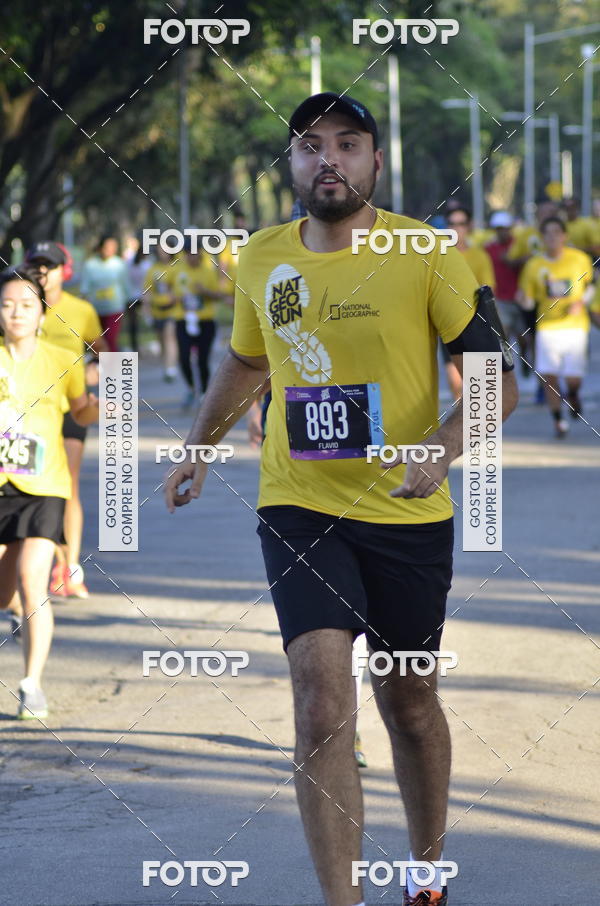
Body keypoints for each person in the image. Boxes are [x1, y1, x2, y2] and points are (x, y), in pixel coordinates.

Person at [165, 91, 518, 906]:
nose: (328, 159)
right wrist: (199, 445)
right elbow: (248, 361)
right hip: (299, 505)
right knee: (322, 706)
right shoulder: (260, 258)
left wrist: (443, 446)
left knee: (409, 699)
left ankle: (425, 868)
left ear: (374, 161)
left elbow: (496, 379)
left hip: (405, 512)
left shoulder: (426, 251)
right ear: (290, 165)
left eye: (348, 144)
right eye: (310, 146)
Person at [0, 267, 99, 718]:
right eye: (7, 305)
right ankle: (18, 617)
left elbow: (80, 408)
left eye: (26, 305)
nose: (16, 313)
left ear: (42, 314)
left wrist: (103, 405)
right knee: (5, 594)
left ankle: (31, 683)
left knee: (32, 581)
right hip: (2, 483)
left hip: (45, 485)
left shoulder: (63, 357)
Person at [24, 241, 107, 599]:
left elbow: (102, 353)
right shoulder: (20, 306)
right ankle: (25, 563)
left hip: (71, 406)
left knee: (67, 485)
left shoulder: (81, 310)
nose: (44, 271)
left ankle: (68, 566)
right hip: (26, 410)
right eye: (37, 265)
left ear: (65, 271)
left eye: (51, 265)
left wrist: (94, 374)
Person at [519, 216, 594, 437]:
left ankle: (573, 394)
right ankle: (558, 421)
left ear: (564, 236)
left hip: (575, 326)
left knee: (573, 378)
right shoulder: (534, 265)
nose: (552, 237)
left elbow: (591, 286)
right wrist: (523, 299)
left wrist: (581, 302)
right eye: (547, 233)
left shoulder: (578, 259)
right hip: (547, 327)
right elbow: (528, 300)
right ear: (542, 237)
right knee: (549, 375)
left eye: (556, 233)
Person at [441, 206, 495, 400]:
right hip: (446, 324)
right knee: (456, 384)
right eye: (452, 224)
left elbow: (488, 289)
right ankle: (464, 428)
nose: (456, 228)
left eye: (461, 224)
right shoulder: (437, 254)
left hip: (475, 324)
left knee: (479, 384)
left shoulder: (480, 256)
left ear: (469, 227)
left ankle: (479, 428)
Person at [171, 241, 231, 409]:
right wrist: (173, 298)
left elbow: (219, 295)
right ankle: (191, 388)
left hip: (205, 321)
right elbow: (166, 290)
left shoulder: (208, 271)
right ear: (185, 254)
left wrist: (204, 291)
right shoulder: (177, 270)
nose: (193, 256)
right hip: (183, 320)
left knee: (202, 360)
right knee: (183, 358)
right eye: (189, 253)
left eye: (196, 253)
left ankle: (204, 392)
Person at [484, 212, 530, 372]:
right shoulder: (488, 248)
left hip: (519, 298)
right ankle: (507, 368)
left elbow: (529, 260)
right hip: (500, 299)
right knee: (504, 337)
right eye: (498, 229)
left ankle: (524, 358)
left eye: (504, 228)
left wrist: (515, 261)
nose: (502, 232)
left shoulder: (518, 245)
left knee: (524, 338)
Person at [80, 235, 131, 351]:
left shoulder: (119, 264)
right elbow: (85, 288)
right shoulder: (90, 265)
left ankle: (111, 368)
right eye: (108, 247)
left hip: (115, 309)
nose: (110, 250)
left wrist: (130, 302)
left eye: (113, 247)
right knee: (97, 341)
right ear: (101, 247)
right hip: (95, 310)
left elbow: (126, 284)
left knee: (110, 339)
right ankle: (99, 366)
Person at [146, 245, 179, 382]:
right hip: (157, 310)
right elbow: (147, 291)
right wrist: (147, 311)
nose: (162, 252)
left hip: (172, 309)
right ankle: (166, 364)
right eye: (160, 250)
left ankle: (171, 368)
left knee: (169, 336)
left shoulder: (176, 267)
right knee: (161, 340)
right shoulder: (153, 269)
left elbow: (180, 288)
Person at [123, 237, 152, 352]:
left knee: (133, 324)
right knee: (146, 320)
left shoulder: (129, 263)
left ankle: (135, 347)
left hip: (131, 297)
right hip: (142, 297)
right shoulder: (147, 265)